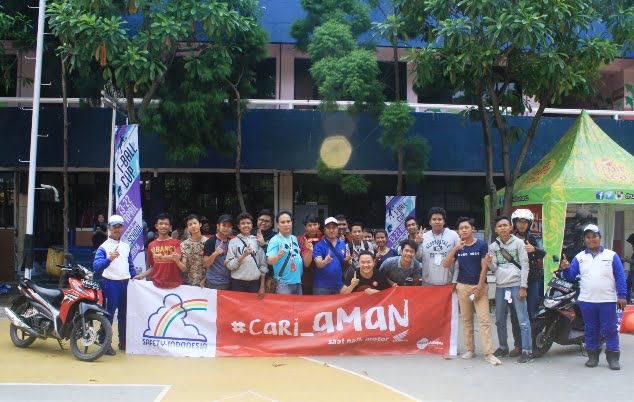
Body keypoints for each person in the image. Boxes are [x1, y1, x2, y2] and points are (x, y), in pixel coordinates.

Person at [560, 224, 627, 370]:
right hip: (587, 301)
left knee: (610, 329)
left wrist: (622, 295)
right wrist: (566, 269)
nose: (591, 240)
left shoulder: (611, 255)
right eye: (588, 237)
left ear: (600, 238)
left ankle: (613, 357)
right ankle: (592, 356)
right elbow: (571, 276)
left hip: (608, 300)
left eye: (594, 236)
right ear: (584, 240)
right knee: (591, 330)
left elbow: (620, 276)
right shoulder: (579, 257)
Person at [443, 217, 501, 366]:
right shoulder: (459, 247)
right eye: (461, 228)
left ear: (473, 229)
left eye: (466, 227)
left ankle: (488, 353)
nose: (463, 230)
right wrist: (455, 249)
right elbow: (446, 264)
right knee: (466, 320)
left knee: (484, 321)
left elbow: (484, 268)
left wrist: (479, 288)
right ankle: (470, 349)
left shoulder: (482, 245)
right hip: (462, 286)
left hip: (479, 287)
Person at [486, 216, 533, 363]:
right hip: (501, 286)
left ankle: (527, 351)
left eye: (505, 225)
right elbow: (494, 268)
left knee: (523, 320)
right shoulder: (493, 246)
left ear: (510, 227)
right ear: (496, 229)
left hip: (516, 284)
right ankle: (503, 347)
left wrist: (523, 287)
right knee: (500, 319)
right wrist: (489, 262)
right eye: (500, 226)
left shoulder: (519, 243)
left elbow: (525, 265)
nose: (503, 228)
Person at [93, 215, 137, 355]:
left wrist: (135, 277)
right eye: (114, 227)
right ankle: (104, 343)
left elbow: (130, 265)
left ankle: (123, 342)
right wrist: (109, 259)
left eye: (119, 226)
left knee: (124, 315)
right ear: (109, 228)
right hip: (110, 284)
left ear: (123, 227)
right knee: (108, 315)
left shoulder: (126, 246)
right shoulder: (104, 247)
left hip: (125, 284)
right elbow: (96, 266)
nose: (117, 229)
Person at [511, 209, 546, 318]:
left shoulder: (535, 238)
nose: (522, 225)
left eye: (525, 222)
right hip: (513, 279)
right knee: (515, 311)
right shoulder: (509, 239)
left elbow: (543, 253)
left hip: (531, 278)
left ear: (529, 224)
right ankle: (517, 330)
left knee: (532, 309)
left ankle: (532, 329)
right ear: (514, 223)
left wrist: (534, 249)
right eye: (519, 222)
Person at [135, 213, 184, 289]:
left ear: (170, 227)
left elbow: (177, 257)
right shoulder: (151, 245)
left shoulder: (177, 243)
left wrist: (162, 257)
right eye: (161, 224)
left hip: (175, 285)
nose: (163, 226)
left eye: (166, 224)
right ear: (156, 226)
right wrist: (142, 275)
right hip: (156, 286)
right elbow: (153, 266)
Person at [226, 212, 268, 297]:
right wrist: (243, 256)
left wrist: (262, 286)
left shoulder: (257, 241)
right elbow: (229, 265)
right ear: (238, 226)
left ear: (252, 225)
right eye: (243, 223)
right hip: (237, 282)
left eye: (248, 223)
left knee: (253, 305)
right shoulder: (233, 242)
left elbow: (263, 265)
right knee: (237, 305)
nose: (246, 225)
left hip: (255, 283)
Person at [417, 207, 460, 286]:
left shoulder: (453, 235)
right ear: (430, 222)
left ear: (444, 221)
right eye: (434, 219)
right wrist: (419, 244)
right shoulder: (424, 236)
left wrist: (455, 280)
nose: (437, 222)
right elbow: (418, 258)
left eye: (440, 219)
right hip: (428, 284)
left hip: (448, 283)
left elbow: (459, 259)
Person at [266, 211, 303, 295]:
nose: (286, 224)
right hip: (283, 284)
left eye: (288, 221)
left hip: (297, 282)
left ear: (291, 223)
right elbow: (269, 261)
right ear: (278, 225)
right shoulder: (274, 240)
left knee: (298, 304)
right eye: (283, 222)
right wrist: (278, 256)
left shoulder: (294, 238)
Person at [312, 217, 347, 295]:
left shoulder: (342, 244)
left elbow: (343, 264)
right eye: (328, 228)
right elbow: (318, 264)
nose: (331, 230)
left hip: (339, 286)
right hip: (322, 287)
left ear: (337, 229)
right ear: (324, 230)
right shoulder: (319, 245)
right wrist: (325, 261)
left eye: (334, 227)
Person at [201, 214, 233, 290]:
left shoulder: (232, 242)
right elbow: (206, 264)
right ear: (218, 226)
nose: (226, 228)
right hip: (214, 282)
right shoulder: (211, 241)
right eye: (224, 225)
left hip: (230, 281)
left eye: (229, 226)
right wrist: (215, 253)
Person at [176, 214, 208, 286]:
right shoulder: (184, 244)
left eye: (195, 223)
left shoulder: (208, 242)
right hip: (188, 282)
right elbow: (183, 268)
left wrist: (205, 279)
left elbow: (212, 265)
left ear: (200, 224)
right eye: (190, 224)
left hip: (205, 282)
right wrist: (177, 260)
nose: (193, 226)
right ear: (187, 228)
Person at [298, 214, 324, 295]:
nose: (313, 227)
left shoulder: (325, 238)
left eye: (315, 224)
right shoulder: (300, 240)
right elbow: (306, 264)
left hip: (322, 278)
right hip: (306, 278)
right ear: (305, 227)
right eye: (309, 225)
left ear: (319, 225)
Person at [623, 233, 633, 304]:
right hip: (631, 273)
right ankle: (628, 303)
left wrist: (630, 260)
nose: (632, 245)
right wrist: (625, 260)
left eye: (632, 244)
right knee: (627, 287)